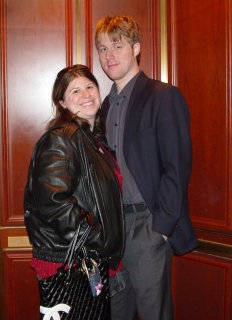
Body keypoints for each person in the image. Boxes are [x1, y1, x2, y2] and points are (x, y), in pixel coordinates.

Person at [95, 15, 199, 320]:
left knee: (155, 314)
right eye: (103, 48)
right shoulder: (102, 107)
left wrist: (161, 229)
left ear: (136, 47)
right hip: (113, 231)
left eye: (117, 45)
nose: (109, 55)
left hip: (148, 226)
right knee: (116, 313)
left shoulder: (163, 96)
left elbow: (176, 167)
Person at [24, 64, 125, 319]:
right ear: (62, 102)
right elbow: (52, 201)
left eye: (90, 86)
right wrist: (97, 237)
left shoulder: (92, 140)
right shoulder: (63, 137)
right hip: (68, 260)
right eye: (75, 91)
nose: (86, 94)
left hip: (88, 257)